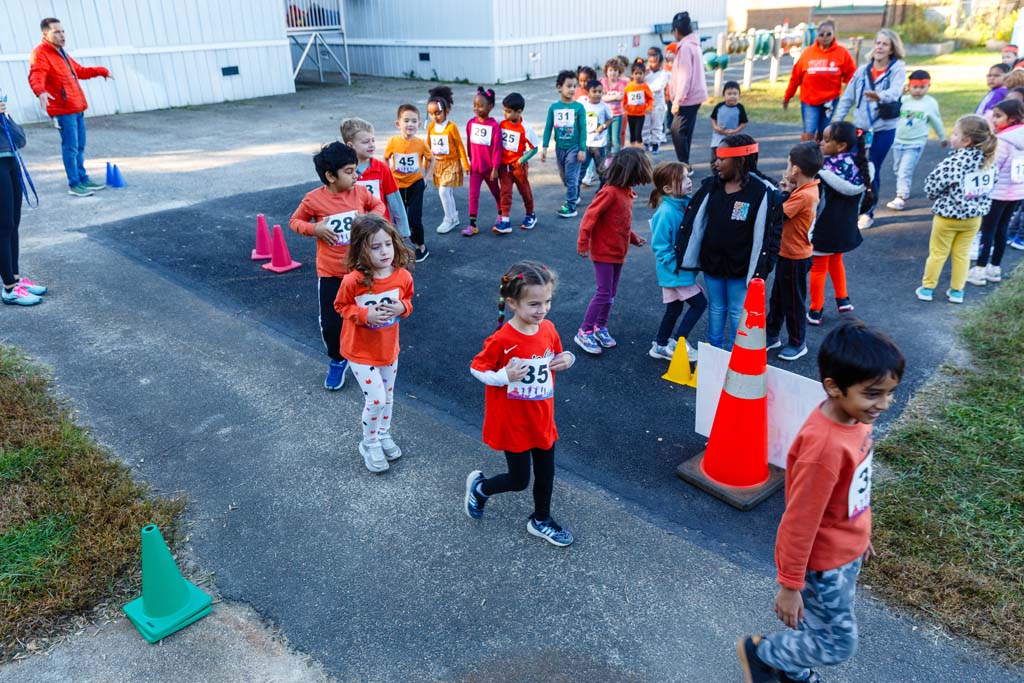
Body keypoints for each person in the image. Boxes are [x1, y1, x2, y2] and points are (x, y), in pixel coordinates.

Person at [736, 320, 905, 683]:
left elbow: (852, 487)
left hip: (847, 549)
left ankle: (792, 672)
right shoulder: (824, 448)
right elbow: (799, 522)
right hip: (825, 564)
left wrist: (860, 530)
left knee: (816, 625)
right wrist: (790, 585)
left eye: (890, 392)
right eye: (874, 393)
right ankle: (763, 653)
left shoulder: (855, 417)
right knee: (837, 644)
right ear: (833, 387)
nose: (885, 404)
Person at [464, 260, 577, 547]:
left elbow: (557, 354)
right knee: (518, 480)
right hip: (513, 422)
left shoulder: (548, 328)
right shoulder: (502, 339)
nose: (543, 310)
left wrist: (568, 359)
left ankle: (541, 520)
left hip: (541, 417)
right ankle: (480, 489)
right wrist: (504, 376)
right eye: (534, 304)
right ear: (512, 302)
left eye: (547, 301)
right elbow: (477, 368)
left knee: (546, 474)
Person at [289, 142, 385, 390]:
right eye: (350, 171)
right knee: (332, 323)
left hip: (361, 270)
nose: (357, 175)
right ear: (331, 176)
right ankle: (337, 359)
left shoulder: (360, 194)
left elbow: (378, 205)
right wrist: (315, 228)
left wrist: (370, 220)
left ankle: (365, 356)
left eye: (356, 170)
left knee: (366, 316)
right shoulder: (313, 199)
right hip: (331, 274)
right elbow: (295, 221)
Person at [676, 135, 784, 350]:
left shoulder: (762, 192)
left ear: (740, 160)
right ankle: (715, 351)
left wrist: (765, 266)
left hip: (741, 267)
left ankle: (737, 357)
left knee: (737, 311)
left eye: (721, 158)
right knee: (716, 308)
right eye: (716, 158)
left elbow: (773, 235)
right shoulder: (711, 186)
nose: (715, 163)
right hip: (712, 263)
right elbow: (694, 220)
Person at [334, 215, 414, 473]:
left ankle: (383, 434)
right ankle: (369, 443)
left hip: (388, 349)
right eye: (375, 246)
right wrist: (365, 315)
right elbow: (340, 306)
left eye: (388, 244)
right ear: (360, 248)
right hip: (359, 351)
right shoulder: (353, 281)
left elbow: (408, 300)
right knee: (377, 399)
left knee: (388, 397)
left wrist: (403, 307)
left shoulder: (402, 276)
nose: (384, 252)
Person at [574, 148, 652, 355]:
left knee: (611, 294)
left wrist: (633, 238)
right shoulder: (609, 192)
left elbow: (619, 223)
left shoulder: (625, 192)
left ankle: (600, 326)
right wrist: (583, 242)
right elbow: (590, 217)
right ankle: (585, 330)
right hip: (604, 252)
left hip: (619, 252)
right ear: (631, 171)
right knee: (603, 292)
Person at [916, 115, 997, 305]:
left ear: (966, 140)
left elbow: (931, 186)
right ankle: (957, 291)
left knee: (938, 253)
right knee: (962, 255)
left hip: (948, 217)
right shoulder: (989, 161)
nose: (952, 137)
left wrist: (936, 196)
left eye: (955, 134)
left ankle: (927, 288)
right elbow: (993, 183)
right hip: (974, 218)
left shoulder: (954, 162)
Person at [27, 17, 112, 198]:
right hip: (63, 111)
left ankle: (82, 178)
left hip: (77, 107)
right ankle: (74, 184)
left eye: (63, 31)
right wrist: (40, 91)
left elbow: (79, 71)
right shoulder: (40, 53)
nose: (62, 35)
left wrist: (101, 71)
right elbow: (36, 74)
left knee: (80, 147)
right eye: (56, 32)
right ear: (45, 34)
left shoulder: (61, 53)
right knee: (70, 148)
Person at [834, 29, 906, 230]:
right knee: (854, 166)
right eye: (877, 43)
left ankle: (867, 212)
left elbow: (896, 91)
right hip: (861, 128)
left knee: (872, 168)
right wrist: (836, 123)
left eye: (885, 44)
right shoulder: (862, 70)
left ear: (892, 48)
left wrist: (879, 95)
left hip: (883, 129)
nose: (879, 47)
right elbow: (848, 97)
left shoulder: (897, 68)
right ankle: (852, 208)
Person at [808, 122, 870, 327]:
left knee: (818, 268)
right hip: (846, 229)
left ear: (841, 145)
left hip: (824, 230)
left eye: (826, 140)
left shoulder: (823, 170)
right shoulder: (861, 166)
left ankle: (816, 309)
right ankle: (843, 299)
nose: (821, 143)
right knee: (836, 260)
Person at [767, 142, 823, 362]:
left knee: (793, 302)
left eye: (788, 165)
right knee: (778, 298)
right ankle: (772, 335)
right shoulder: (805, 189)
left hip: (795, 257)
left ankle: (798, 343)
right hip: (788, 253)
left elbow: (777, 213)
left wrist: (782, 193)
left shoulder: (803, 196)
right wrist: (789, 190)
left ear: (796, 170)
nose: (786, 168)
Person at [648, 161, 706, 361]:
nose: (689, 181)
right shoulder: (665, 213)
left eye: (688, 176)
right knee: (699, 303)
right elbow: (660, 246)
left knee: (674, 308)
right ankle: (678, 341)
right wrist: (677, 266)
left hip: (677, 271)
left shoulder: (683, 205)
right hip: (675, 272)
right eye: (683, 179)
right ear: (667, 188)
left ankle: (660, 344)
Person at [967, 99, 1024, 286]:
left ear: (1013, 118)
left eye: (999, 117)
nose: (994, 121)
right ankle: (995, 267)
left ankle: (980, 269)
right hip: (1016, 192)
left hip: (997, 193)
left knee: (988, 230)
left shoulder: (1003, 141)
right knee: (1002, 229)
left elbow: (992, 166)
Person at [0, 95, 45, 306]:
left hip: (10, 159)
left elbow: (20, 139)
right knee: (4, 225)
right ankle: (9, 288)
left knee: (14, 223)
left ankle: (15, 279)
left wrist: (5, 114)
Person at [782, 19, 856, 142]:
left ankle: (820, 156)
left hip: (830, 101)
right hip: (809, 100)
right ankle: (806, 155)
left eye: (828, 34)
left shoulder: (842, 53)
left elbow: (852, 77)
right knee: (809, 131)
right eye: (821, 34)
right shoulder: (808, 53)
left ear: (834, 34)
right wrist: (787, 96)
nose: (825, 37)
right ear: (817, 35)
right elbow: (795, 77)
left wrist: (854, 95)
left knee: (824, 131)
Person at [886, 70, 946, 211]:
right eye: (915, 87)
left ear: (928, 86)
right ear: (909, 86)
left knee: (904, 170)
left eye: (922, 87)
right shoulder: (903, 100)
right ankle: (903, 187)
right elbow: (891, 113)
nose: (918, 90)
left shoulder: (930, 103)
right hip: (899, 140)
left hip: (916, 142)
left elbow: (936, 121)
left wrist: (942, 136)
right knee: (898, 168)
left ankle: (901, 196)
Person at [340, 118, 409, 239]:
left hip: (381, 229)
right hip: (355, 233)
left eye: (373, 140)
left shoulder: (382, 168)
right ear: (350, 145)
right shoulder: (342, 171)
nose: (372, 145)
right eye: (366, 142)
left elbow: (395, 202)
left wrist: (403, 230)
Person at [384, 104, 432, 262]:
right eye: (406, 120)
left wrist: (426, 178)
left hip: (416, 185)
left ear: (419, 124)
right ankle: (399, 246)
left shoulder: (420, 143)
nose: (410, 124)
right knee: (399, 217)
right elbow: (385, 157)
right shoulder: (393, 142)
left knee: (414, 218)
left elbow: (432, 159)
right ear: (398, 124)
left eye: (414, 121)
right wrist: (388, 175)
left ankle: (421, 246)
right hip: (397, 186)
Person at [541, 71, 586, 218]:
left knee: (571, 177)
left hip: (574, 148)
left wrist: (582, 149)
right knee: (565, 178)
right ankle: (574, 193)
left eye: (574, 86)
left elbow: (583, 129)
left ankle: (571, 206)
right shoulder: (554, 108)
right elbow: (548, 127)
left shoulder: (579, 108)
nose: (572, 89)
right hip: (560, 148)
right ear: (559, 87)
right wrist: (545, 148)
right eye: (569, 86)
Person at [426, 86, 470, 234]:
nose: (434, 117)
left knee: (443, 191)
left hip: (451, 163)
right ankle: (453, 216)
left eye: (438, 113)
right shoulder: (431, 127)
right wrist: (426, 163)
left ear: (447, 111)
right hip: (438, 164)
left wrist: (465, 163)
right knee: (447, 192)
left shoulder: (451, 127)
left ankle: (448, 219)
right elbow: (428, 146)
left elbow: (459, 146)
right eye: (431, 114)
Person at [460, 87, 502, 237]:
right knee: (473, 194)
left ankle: (501, 215)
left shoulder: (494, 126)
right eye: (474, 105)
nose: (476, 108)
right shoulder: (471, 124)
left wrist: (495, 167)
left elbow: (497, 148)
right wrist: (470, 160)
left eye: (480, 105)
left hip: (489, 168)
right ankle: (472, 224)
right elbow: (469, 144)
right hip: (476, 168)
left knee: (497, 193)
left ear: (490, 107)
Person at [668, 11, 708, 163]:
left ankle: (684, 163)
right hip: (695, 95)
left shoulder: (685, 47)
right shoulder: (694, 44)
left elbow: (685, 76)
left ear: (676, 31)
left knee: (676, 130)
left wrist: (677, 101)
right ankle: (685, 162)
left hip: (688, 98)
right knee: (685, 130)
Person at [496, 92, 539, 233]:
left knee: (524, 191)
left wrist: (522, 160)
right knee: (505, 192)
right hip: (504, 167)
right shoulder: (502, 124)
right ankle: (505, 220)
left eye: (508, 112)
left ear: (519, 112)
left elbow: (534, 148)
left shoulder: (525, 128)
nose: (504, 114)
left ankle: (530, 214)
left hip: (518, 167)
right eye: (504, 110)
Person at [579, 79, 613, 191]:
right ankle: (575, 192)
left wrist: (603, 126)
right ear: (588, 93)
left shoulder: (603, 106)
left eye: (600, 91)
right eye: (594, 91)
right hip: (586, 144)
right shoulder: (583, 106)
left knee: (601, 169)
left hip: (599, 144)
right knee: (581, 169)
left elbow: (610, 119)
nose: (597, 94)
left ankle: (603, 190)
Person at [709, 81, 749, 172]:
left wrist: (735, 131)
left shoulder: (740, 108)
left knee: (731, 159)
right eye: (729, 94)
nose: (732, 96)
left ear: (739, 95)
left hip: (733, 138)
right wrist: (715, 127)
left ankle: (730, 174)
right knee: (715, 158)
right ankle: (715, 176)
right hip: (717, 138)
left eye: (735, 94)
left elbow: (743, 122)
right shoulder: (719, 107)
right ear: (724, 95)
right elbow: (713, 118)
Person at [643, 47, 671, 154]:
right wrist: (644, 73)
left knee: (657, 126)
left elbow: (659, 87)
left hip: (658, 104)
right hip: (646, 104)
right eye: (650, 62)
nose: (652, 64)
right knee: (645, 125)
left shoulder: (664, 74)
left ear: (660, 62)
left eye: (654, 62)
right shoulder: (646, 73)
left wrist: (646, 88)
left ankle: (656, 144)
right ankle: (645, 144)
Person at [600, 59, 629, 156]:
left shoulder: (622, 83)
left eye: (615, 70)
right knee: (607, 138)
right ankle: (607, 158)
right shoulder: (603, 82)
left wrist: (611, 98)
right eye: (611, 70)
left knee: (616, 139)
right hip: (605, 115)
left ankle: (617, 159)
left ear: (619, 72)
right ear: (606, 72)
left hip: (617, 115)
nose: (613, 73)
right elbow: (602, 98)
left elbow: (621, 97)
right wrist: (614, 97)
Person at [624, 60, 654, 149]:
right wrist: (624, 108)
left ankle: (640, 150)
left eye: (640, 73)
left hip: (640, 114)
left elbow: (650, 99)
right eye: (636, 73)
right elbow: (625, 99)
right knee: (632, 133)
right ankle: (632, 149)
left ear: (644, 74)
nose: (638, 76)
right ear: (632, 74)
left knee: (638, 133)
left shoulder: (645, 86)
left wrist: (649, 107)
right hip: (630, 113)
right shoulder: (629, 86)